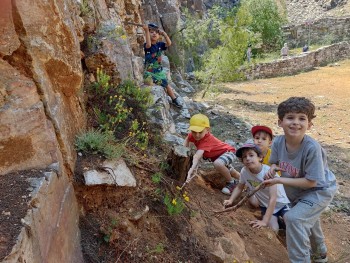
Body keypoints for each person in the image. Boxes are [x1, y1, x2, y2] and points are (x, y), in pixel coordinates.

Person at [263, 97, 337, 263]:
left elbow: (312, 182)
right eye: (290, 117)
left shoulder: (311, 148)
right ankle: (320, 254)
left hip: (319, 190)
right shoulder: (278, 142)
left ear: (309, 124)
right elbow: (274, 162)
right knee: (308, 218)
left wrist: (279, 181)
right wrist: (273, 168)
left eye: (301, 118)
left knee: (294, 218)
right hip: (298, 191)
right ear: (280, 122)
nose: (295, 122)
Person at [223, 143, 290, 232]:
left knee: (291, 224)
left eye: (251, 155)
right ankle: (278, 222)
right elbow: (239, 187)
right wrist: (231, 200)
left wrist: (264, 221)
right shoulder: (244, 171)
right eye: (244, 157)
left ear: (260, 157)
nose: (247, 158)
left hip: (282, 203)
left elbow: (273, 198)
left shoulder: (269, 173)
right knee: (273, 229)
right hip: (265, 205)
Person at [184, 114, 240, 195]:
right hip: (219, 157)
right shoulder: (193, 135)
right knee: (231, 172)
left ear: (207, 130)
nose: (196, 135)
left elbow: (197, 157)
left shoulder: (206, 140)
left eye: (200, 132)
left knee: (218, 163)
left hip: (228, 152)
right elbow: (187, 139)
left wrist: (189, 172)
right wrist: (185, 150)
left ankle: (231, 183)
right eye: (194, 131)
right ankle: (246, 182)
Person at [142, 23, 182, 108]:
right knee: (150, 83)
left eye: (156, 32)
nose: (154, 34)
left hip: (159, 71)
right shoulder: (147, 45)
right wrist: (146, 31)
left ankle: (174, 99)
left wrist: (164, 34)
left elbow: (169, 43)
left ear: (159, 35)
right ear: (148, 35)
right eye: (151, 32)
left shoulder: (160, 44)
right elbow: (149, 44)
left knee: (166, 84)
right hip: (149, 71)